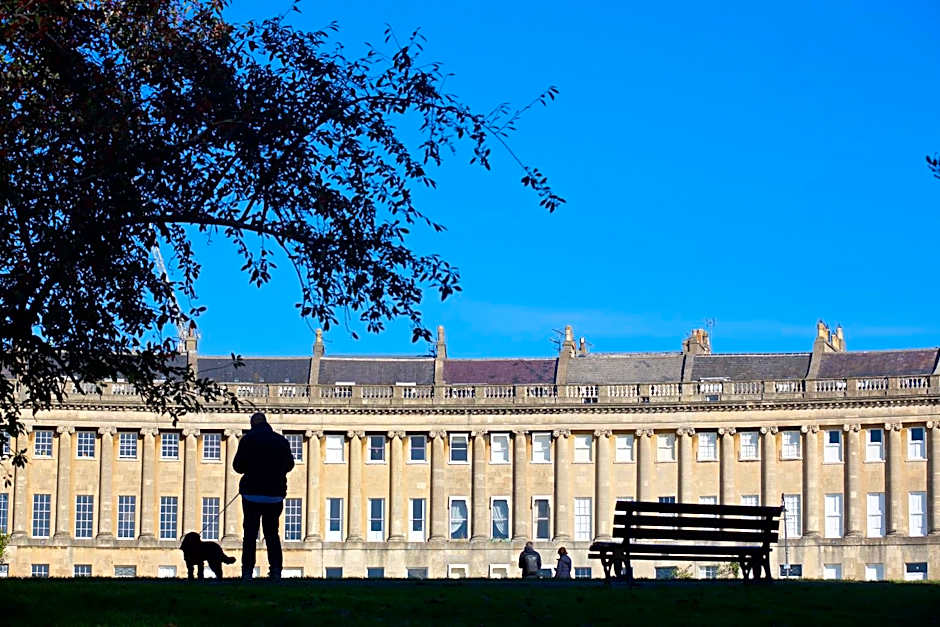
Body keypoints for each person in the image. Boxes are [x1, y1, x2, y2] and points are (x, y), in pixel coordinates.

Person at [233, 412, 294, 580]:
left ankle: (247, 571)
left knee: (250, 534)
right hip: (275, 494)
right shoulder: (280, 441)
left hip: (252, 493)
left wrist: (251, 469)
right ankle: (275, 570)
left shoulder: (247, 440)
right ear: (266, 423)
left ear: (252, 424)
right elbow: (289, 465)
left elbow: (237, 466)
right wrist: (276, 471)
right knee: (272, 534)